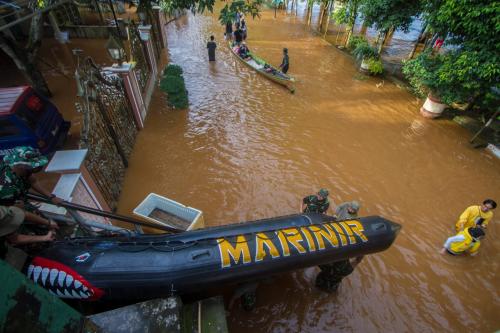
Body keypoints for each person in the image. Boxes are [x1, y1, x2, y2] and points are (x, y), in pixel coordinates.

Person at [0, 146, 63, 229]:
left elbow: (33, 181)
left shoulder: (17, 167)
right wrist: (47, 223)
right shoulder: (7, 188)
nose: (35, 169)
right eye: (33, 167)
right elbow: (21, 213)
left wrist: (51, 197)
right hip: (8, 215)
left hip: (20, 202)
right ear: (21, 166)